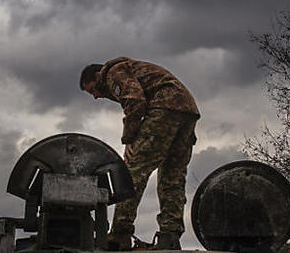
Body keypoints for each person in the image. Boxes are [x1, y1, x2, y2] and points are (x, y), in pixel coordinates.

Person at [80, 57, 200, 251]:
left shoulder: (113, 73)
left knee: (133, 172)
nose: (95, 96)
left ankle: (121, 233)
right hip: (187, 110)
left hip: (164, 106)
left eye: (92, 89)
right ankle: (169, 235)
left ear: (97, 75)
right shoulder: (128, 69)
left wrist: (129, 138)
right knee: (172, 176)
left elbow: (135, 101)